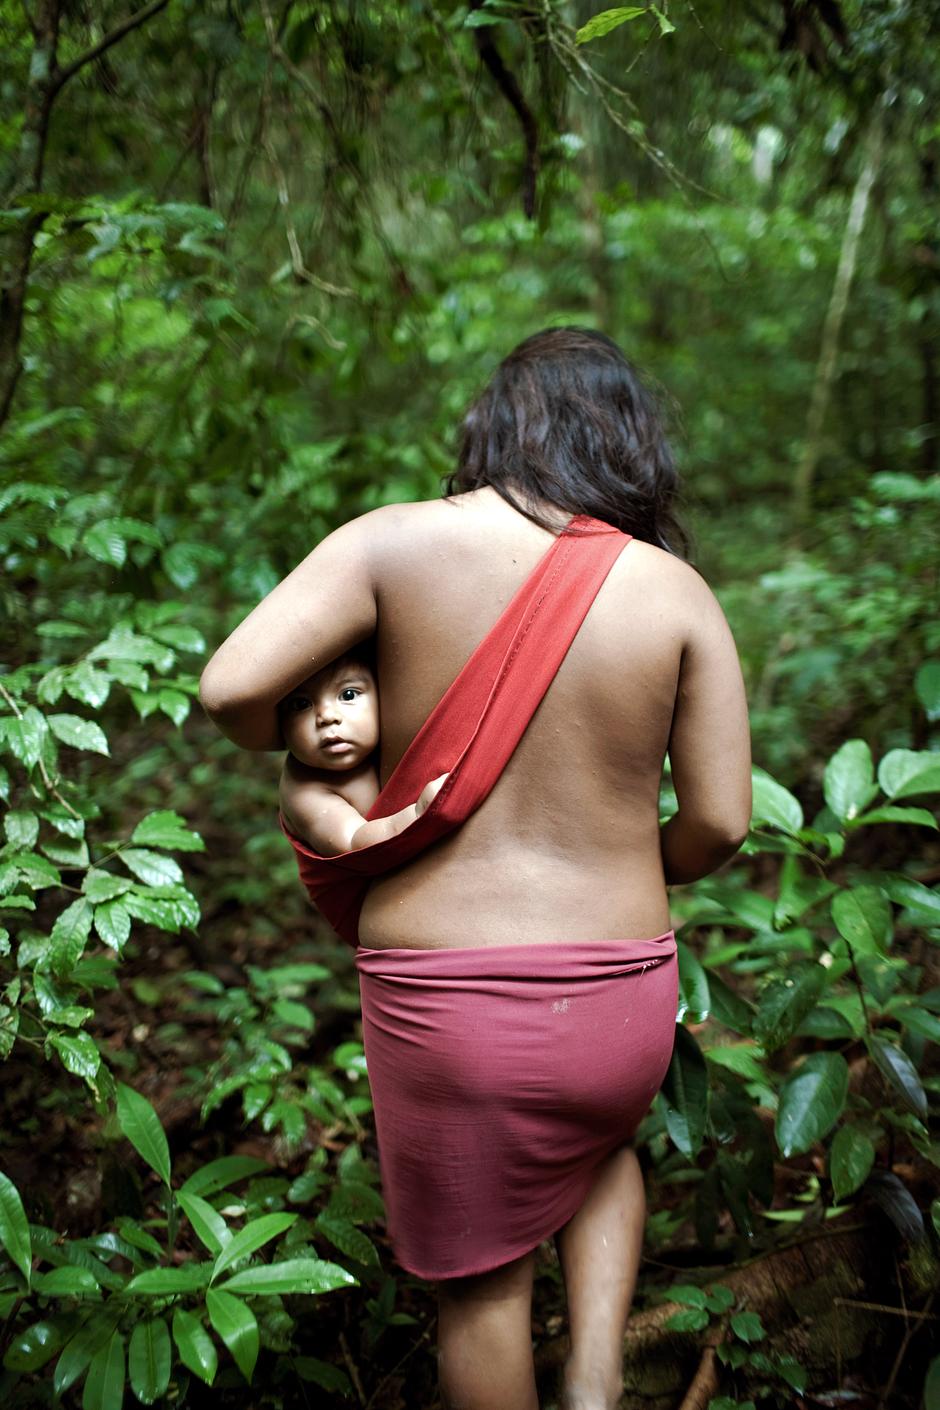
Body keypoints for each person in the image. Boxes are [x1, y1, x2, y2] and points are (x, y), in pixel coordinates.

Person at [199, 325, 752, 1410]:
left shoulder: (386, 545)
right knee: (597, 1146)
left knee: (483, 1294)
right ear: (629, 447)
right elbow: (722, 825)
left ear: (493, 430)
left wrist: (318, 765)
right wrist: (613, 856)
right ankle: (594, 1384)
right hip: (616, 997)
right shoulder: (674, 592)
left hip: (445, 1008)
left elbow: (229, 691)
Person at [277, 650, 448, 855]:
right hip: (367, 884)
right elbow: (353, 841)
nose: (327, 716)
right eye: (301, 704)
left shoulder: (390, 735)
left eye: (348, 694)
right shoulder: (303, 790)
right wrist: (419, 814)